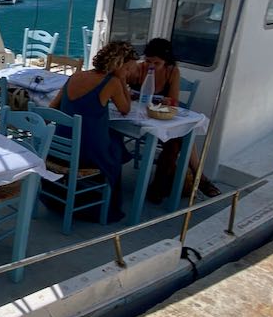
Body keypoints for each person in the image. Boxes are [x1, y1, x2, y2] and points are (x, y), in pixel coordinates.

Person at [49, 40, 137, 222]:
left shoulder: (76, 76)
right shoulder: (111, 82)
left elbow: (52, 107)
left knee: (115, 138)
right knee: (116, 147)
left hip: (59, 148)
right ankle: (103, 197)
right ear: (119, 64)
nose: (128, 73)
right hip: (83, 153)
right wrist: (121, 81)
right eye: (127, 69)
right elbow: (125, 109)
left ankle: (89, 188)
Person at [129, 38, 221, 201]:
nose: (151, 66)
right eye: (149, 61)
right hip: (139, 118)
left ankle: (160, 186)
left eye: (156, 63)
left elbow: (174, 101)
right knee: (180, 138)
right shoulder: (140, 69)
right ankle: (198, 179)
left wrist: (164, 101)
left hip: (159, 117)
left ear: (166, 62)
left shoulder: (172, 72)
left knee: (179, 138)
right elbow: (123, 87)